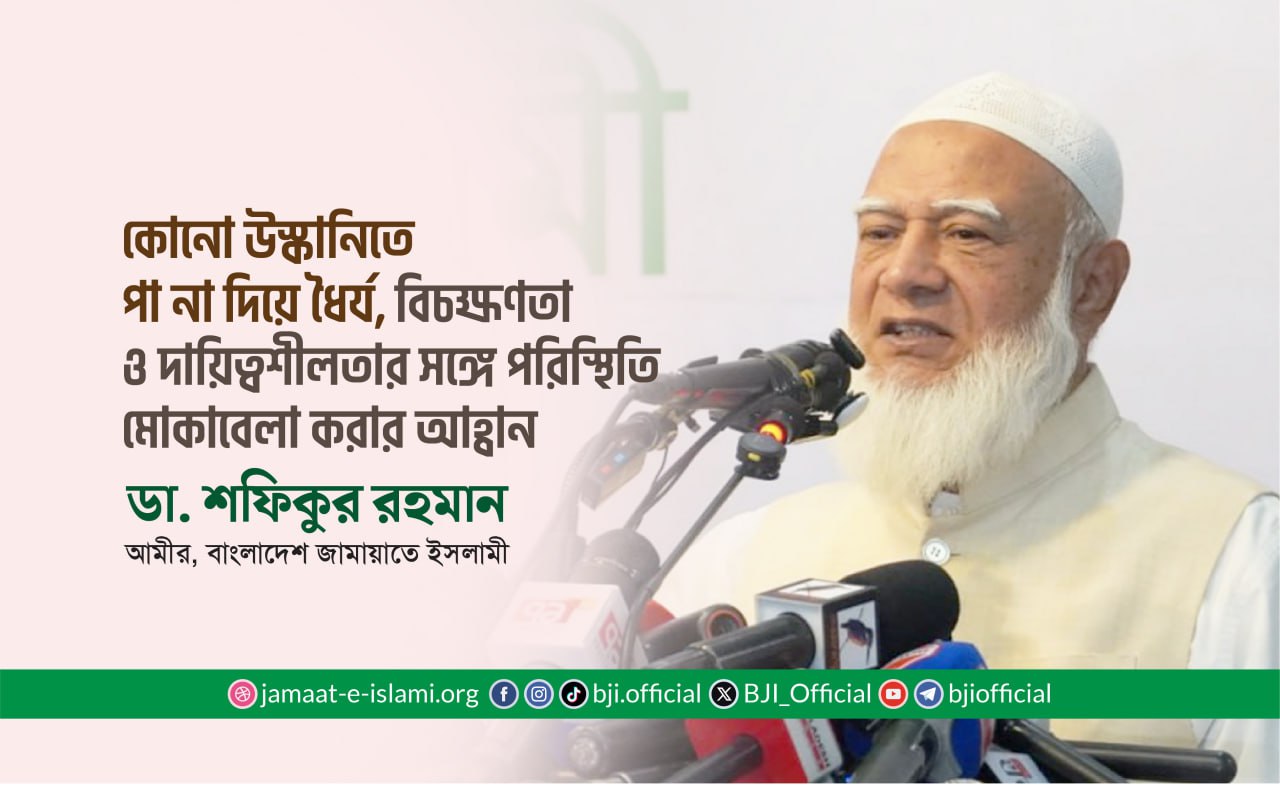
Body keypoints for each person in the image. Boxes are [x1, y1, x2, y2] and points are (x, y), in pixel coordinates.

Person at [657, 72, 1278, 781]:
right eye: (880, 232)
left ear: (1092, 284)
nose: (906, 273)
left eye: (967, 234)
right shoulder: (738, 561)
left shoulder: (1236, 560)